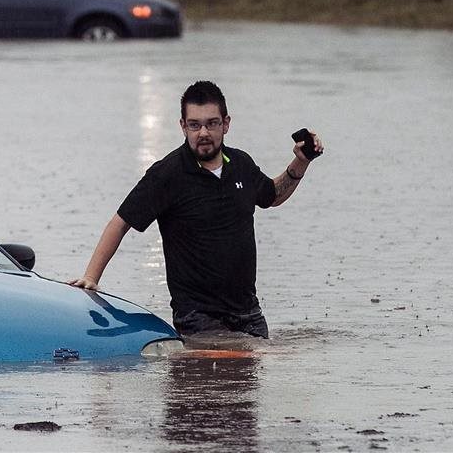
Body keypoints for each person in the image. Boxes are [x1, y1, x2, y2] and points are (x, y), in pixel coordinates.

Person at [68, 80, 323, 338]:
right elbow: (120, 222)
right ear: (183, 126)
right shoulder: (166, 174)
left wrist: (301, 162)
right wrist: (91, 277)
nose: (203, 132)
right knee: (251, 359)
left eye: (212, 123)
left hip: (250, 314)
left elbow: (272, 195)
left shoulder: (241, 164)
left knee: (251, 374)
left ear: (226, 124)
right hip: (197, 318)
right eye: (194, 125)